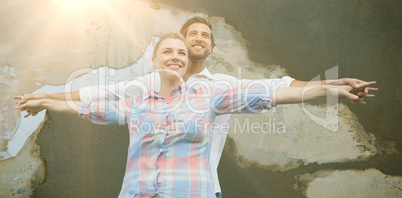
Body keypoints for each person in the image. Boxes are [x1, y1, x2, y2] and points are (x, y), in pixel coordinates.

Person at [14, 17, 377, 198]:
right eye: (189, 37)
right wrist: (45, 99)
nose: (196, 41)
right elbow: (93, 97)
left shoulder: (219, 88)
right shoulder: (142, 91)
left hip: (199, 186)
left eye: (205, 35)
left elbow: (274, 89)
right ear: (162, 55)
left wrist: (330, 87)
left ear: (208, 47)